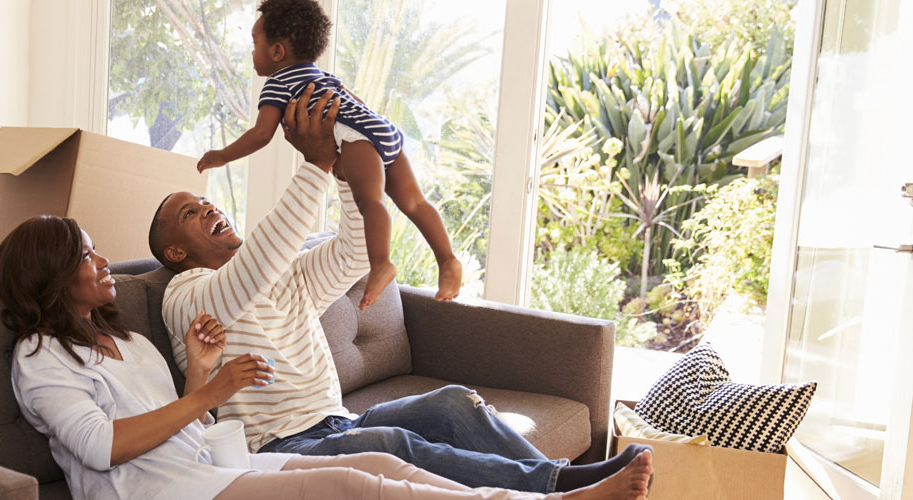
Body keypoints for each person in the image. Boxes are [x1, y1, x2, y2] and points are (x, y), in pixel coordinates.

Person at [153, 70, 652, 494]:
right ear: (176, 251)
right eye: (190, 213)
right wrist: (314, 164)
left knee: (453, 401)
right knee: (396, 446)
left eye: (207, 201)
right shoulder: (185, 297)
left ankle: (564, 479)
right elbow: (250, 274)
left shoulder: (285, 272)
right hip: (282, 447)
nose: (209, 208)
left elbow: (354, 254)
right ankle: (560, 490)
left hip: (339, 420)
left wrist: (346, 166)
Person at [0, 214, 653, 500]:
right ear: (50, 273)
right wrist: (206, 391)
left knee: (377, 456)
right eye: (84, 254)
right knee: (356, 479)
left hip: (204, 468)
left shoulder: (129, 343)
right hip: (159, 492)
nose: (101, 261)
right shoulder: (42, 355)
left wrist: (196, 379)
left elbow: (184, 427)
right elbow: (104, 448)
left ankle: (550, 488)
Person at [196, 0, 461, 308]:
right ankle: (447, 260)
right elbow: (354, 100)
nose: (253, 52)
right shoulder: (319, 75)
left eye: (255, 43)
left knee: (370, 200)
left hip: (354, 136)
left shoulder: (277, 84)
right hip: (379, 126)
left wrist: (223, 155)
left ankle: (381, 263)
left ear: (277, 52)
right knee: (415, 202)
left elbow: (261, 134)